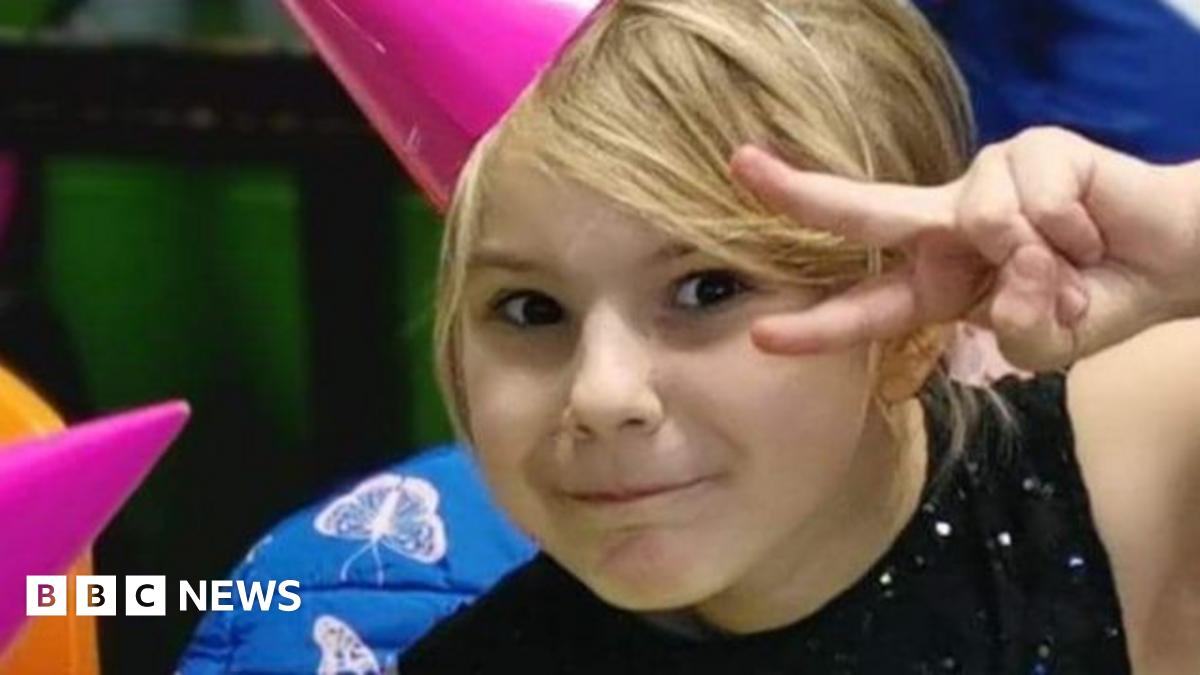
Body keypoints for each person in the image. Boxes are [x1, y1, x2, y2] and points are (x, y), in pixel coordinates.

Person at [381, 1, 1200, 672]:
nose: (601, 393)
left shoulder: (1141, 476)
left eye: (709, 290)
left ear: (914, 333)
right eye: (530, 309)